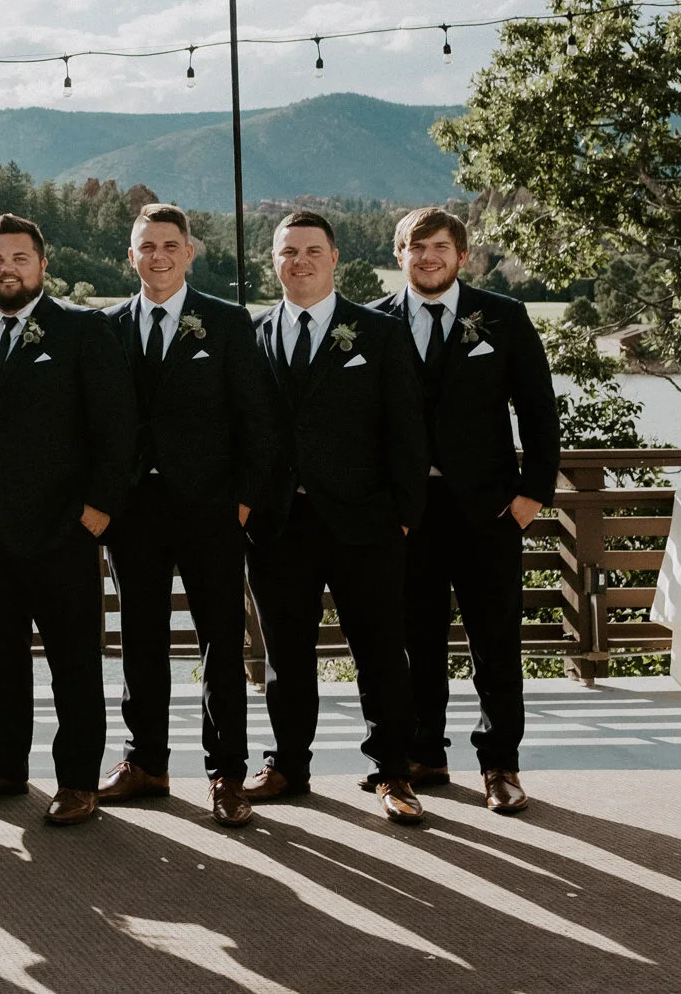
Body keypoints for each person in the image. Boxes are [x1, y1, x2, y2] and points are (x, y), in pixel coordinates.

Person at [0, 215, 134, 826]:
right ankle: (4, 766)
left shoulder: (82, 329)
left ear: (43, 265)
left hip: (61, 526)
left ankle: (77, 781)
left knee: (74, 658)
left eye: (19, 258)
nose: (7, 269)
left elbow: (116, 428)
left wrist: (96, 512)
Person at [96, 204, 281, 827]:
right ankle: (145, 761)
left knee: (222, 642)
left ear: (189, 252)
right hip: (133, 512)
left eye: (170, 245)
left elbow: (258, 420)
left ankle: (226, 773)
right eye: (146, 247)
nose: (159, 256)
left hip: (211, 510)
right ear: (131, 256)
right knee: (139, 639)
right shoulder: (106, 327)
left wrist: (242, 501)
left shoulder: (227, 322)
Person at [244, 210, 430, 825]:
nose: (299, 261)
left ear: (334, 257)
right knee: (285, 655)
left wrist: (403, 514)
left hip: (365, 521)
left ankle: (392, 770)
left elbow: (407, 429)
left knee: (380, 651)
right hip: (278, 523)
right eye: (288, 252)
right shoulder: (253, 333)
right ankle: (287, 764)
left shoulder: (378, 333)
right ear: (274, 260)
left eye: (312, 251)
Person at [373, 206, 557, 815]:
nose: (428, 257)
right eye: (416, 247)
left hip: (489, 511)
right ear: (399, 254)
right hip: (408, 512)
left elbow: (539, 410)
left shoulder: (503, 317)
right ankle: (425, 752)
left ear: (462, 256)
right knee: (415, 640)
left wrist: (532, 495)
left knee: (495, 643)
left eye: (440, 247)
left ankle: (500, 764)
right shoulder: (373, 323)